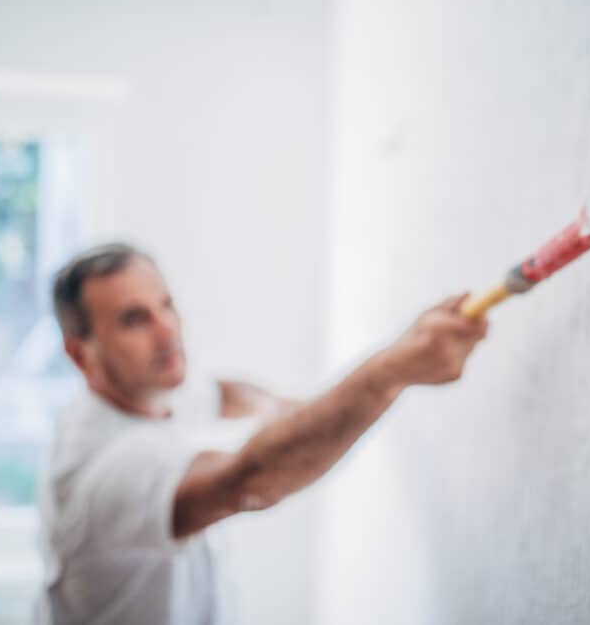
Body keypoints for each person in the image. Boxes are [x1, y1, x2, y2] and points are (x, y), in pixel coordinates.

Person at [34, 243, 487, 624]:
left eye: (166, 304)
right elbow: (245, 481)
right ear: (79, 355)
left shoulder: (145, 391)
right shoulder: (103, 471)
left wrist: (305, 408)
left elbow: (225, 393)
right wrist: (388, 373)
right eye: (135, 319)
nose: (167, 329)